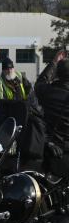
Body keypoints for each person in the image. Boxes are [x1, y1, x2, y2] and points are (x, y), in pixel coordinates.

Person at [35, 49, 69, 177]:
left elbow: (40, 82)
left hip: (52, 149)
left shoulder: (47, 92)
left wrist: (54, 62)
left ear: (57, 75)